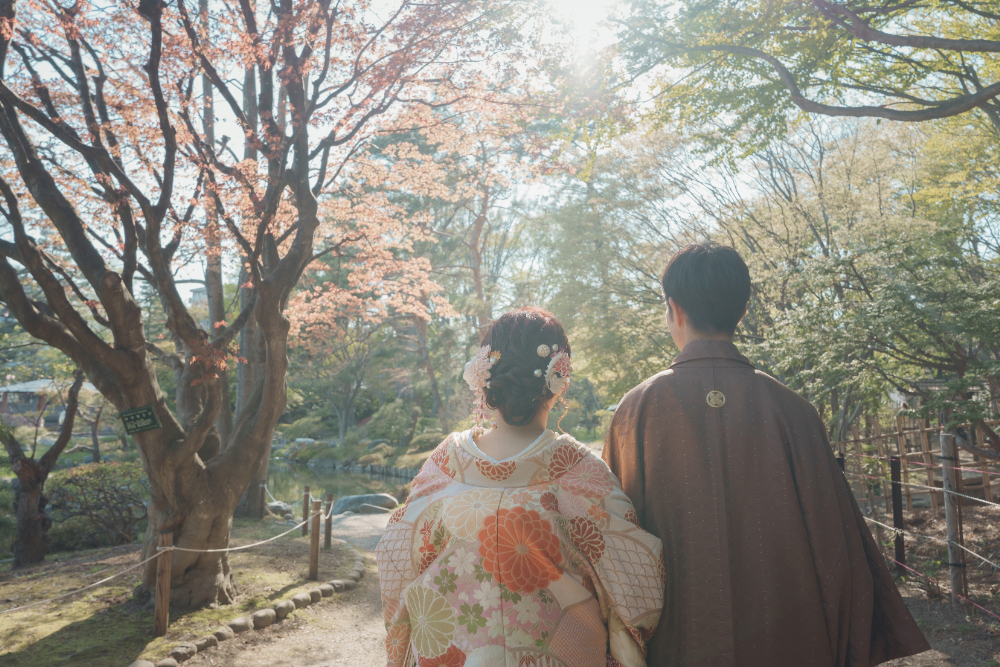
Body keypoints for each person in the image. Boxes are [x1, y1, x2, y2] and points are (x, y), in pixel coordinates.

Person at [603, 244, 930, 666]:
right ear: (741, 313)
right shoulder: (792, 410)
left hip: (677, 639)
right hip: (790, 639)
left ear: (674, 309)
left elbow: (614, 540)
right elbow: (837, 546)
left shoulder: (638, 408)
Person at [377, 307, 664, 667]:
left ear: (484, 377)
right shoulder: (580, 471)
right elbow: (635, 580)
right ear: (560, 379)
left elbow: (396, 559)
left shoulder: (445, 465)